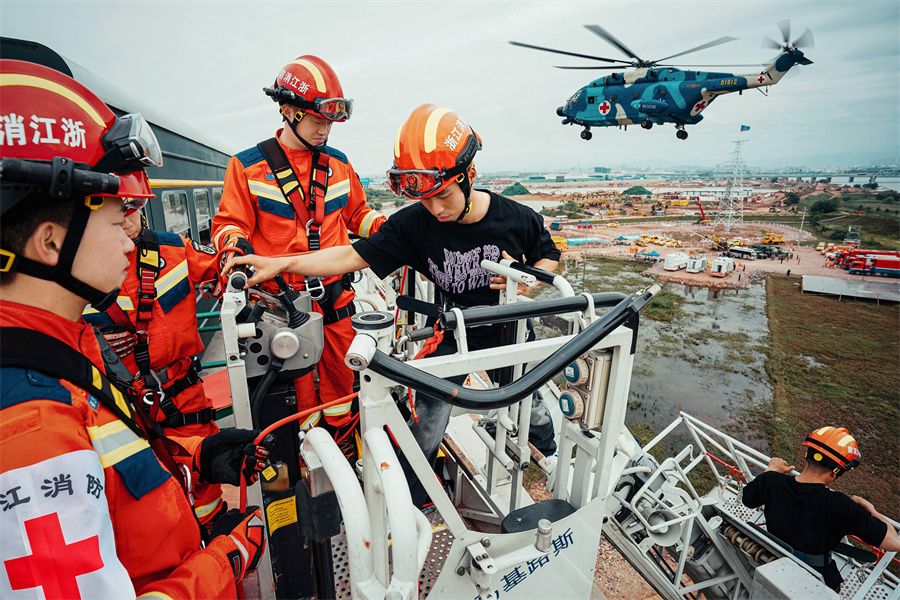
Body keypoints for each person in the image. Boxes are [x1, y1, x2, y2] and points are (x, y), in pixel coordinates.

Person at [0, 59, 267, 597]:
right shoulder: (33, 433)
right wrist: (226, 558)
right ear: (49, 243)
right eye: (114, 212)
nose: (129, 235)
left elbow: (120, 486)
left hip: (182, 431)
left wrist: (202, 461)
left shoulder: (58, 357)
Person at [225, 103, 560, 507]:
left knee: (531, 402)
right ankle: (416, 498)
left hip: (509, 330)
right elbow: (349, 256)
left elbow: (549, 256)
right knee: (427, 419)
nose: (437, 209)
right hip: (452, 331)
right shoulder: (416, 225)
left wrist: (525, 280)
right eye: (428, 200)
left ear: (470, 176)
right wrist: (282, 262)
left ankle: (552, 457)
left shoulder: (517, 219)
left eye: (446, 197)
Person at [212, 56, 385, 461]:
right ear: (288, 112)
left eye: (330, 122)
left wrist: (390, 231)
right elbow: (229, 222)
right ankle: (301, 464)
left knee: (344, 389)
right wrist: (234, 249)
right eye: (316, 120)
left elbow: (359, 214)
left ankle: (342, 457)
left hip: (336, 303)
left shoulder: (339, 164)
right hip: (281, 310)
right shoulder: (248, 168)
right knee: (292, 397)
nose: (325, 129)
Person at [82, 208, 225, 528]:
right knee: (142, 499)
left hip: (184, 398)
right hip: (119, 409)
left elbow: (225, 272)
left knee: (205, 488)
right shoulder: (76, 272)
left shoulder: (174, 248)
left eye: (130, 207)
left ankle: (212, 541)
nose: (126, 219)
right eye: (116, 210)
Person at [742, 426, 900, 592]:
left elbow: (748, 499)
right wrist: (872, 510)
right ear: (834, 474)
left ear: (807, 456)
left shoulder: (772, 481)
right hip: (816, 583)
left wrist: (771, 471)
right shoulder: (842, 506)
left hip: (770, 561)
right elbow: (894, 543)